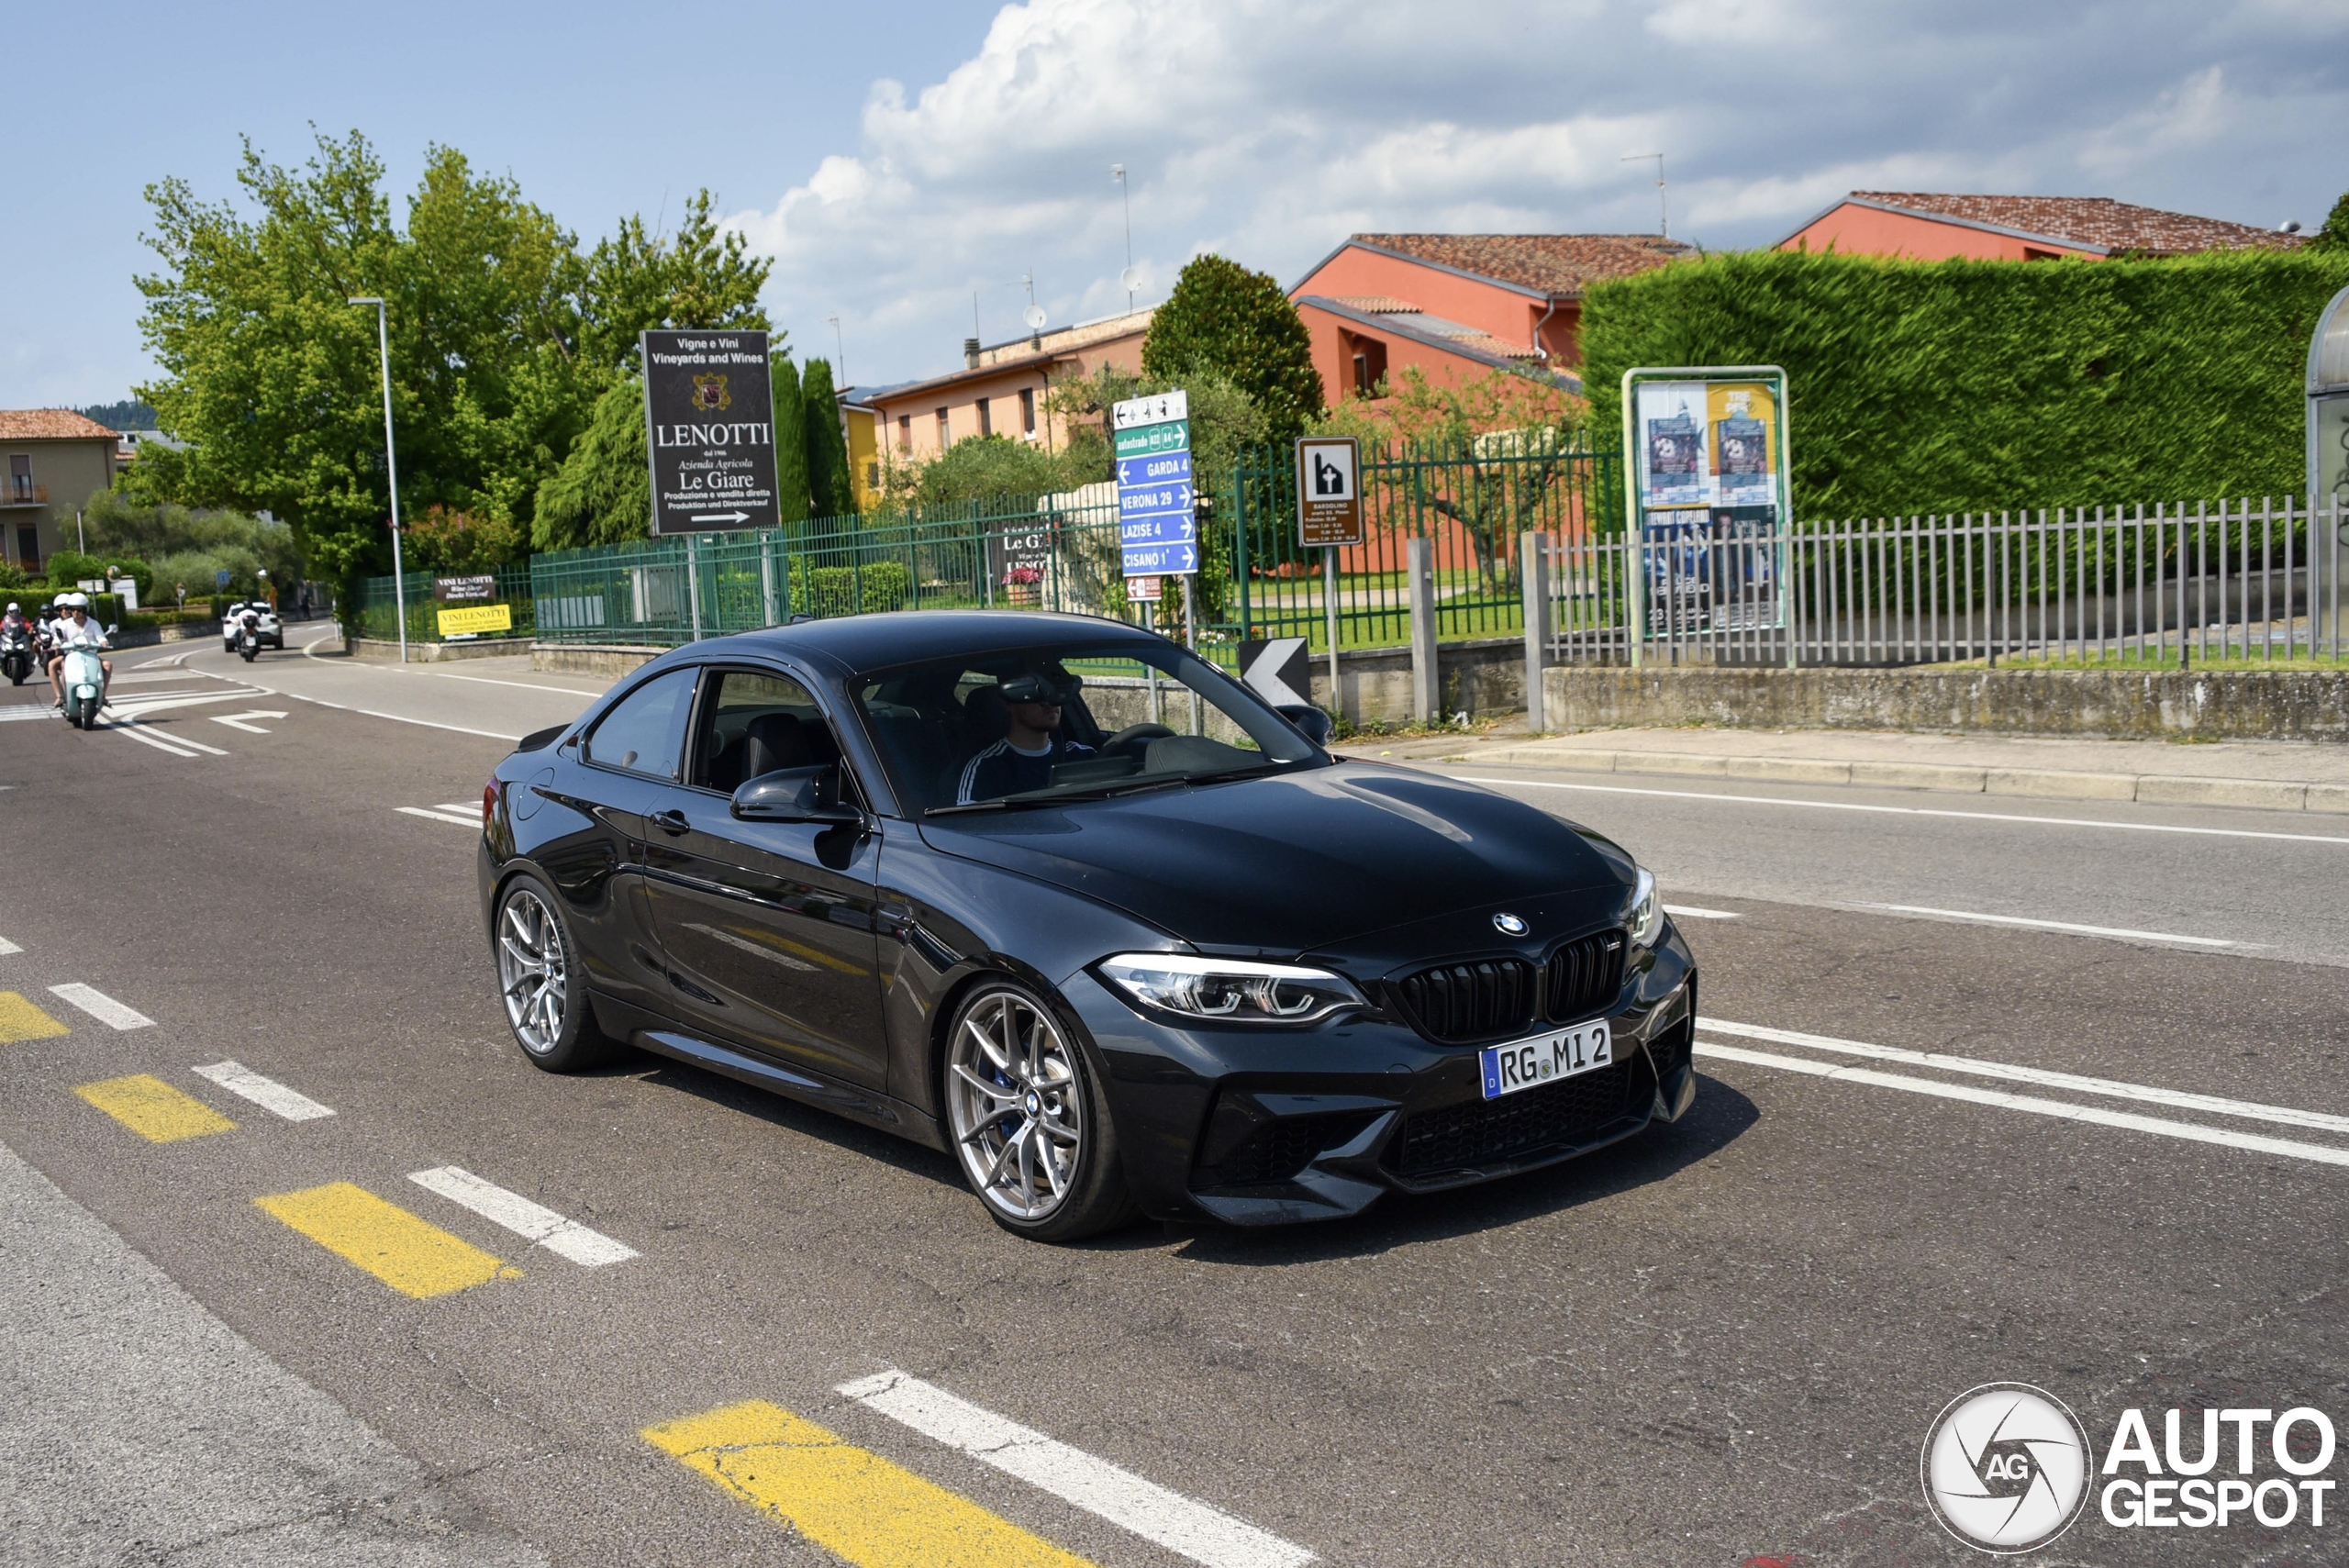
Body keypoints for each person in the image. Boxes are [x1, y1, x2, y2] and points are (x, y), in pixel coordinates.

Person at [955, 672, 1096, 803]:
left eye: (1053, 690)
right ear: (1008, 702)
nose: (1049, 701)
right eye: (1034, 692)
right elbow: (969, 819)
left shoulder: (1083, 757)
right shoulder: (985, 769)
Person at [46, 593, 111, 712]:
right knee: (55, 665)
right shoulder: (64, 625)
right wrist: (56, 645)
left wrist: (103, 642)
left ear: (85, 610)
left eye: (79, 610)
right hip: (71, 656)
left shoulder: (93, 624)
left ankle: (102, 696)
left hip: (91, 655)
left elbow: (101, 636)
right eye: (73, 609)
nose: (76, 612)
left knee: (107, 665)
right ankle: (61, 697)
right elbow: (58, 638)